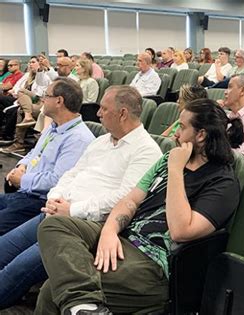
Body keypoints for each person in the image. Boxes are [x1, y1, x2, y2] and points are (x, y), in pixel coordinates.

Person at [35, 98, 244, 315]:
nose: (175, 133)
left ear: (200, 135)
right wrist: (109, 231)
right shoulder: (166, 160)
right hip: (124, 237)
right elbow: (130, 200)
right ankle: (85, 306)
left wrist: (175, 171)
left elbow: (181, 230)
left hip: (153, 265)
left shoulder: (222, 182)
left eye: (181, 127)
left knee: (53, 290)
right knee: (53, 225)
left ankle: (83, 303)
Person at [0, 85, 162, 309]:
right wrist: (55, 198)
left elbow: (124, 198)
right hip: (55, 212)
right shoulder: (101, 141)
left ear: (123, 113)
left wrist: (71, 210)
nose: (98, 113)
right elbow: (72, 173)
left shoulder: (146, 151)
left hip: (80, 227)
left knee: (13, 272)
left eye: (104, 109)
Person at [0, 78, 95, 235]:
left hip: (39, 202)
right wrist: (21, 166)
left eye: (46, 95)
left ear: (59, 101)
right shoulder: (54, 127)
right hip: (24, 194)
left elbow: (57, 181)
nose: (42, 99)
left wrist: (22, 180)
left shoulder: (78, 139)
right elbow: (34, 152)